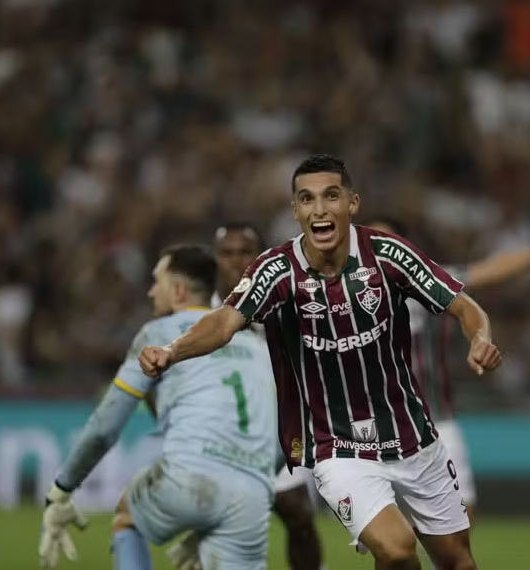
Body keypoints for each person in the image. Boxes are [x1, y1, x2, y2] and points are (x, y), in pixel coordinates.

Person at [139, 154, 502, 570]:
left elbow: (462, 304)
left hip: (413, 437)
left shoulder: (387, 255)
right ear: (295, 211)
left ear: (352, 203)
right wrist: (171, 351)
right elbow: (223, 322)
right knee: (398, 549)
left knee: (459, 562)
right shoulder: (276, 270)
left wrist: (481, 336)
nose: (319, 209)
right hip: (339, 447)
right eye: (307, 199)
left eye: (331, 196)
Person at [38, 245, 278, 570]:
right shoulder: (256, 344)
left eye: (157, 282)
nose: (151, 291)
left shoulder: (158, 335)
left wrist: (61, 490)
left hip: (190, 477)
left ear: (178, 290)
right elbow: (284, 441)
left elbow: (105, 427)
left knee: (127, 515)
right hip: (252, 494)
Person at [367, 211, 530, 520]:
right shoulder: (343, 294)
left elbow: (489, 270)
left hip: (436, 421)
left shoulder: (429, 281)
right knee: (389, 534)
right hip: (378, 429)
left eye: (386, 240)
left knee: (463, 516)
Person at [212, 222, 324, 570]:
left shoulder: (283, 305)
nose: (234, 261)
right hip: (218, 437)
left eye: (243, 252)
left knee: (298, 513)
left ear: (259, 259)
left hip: (276, 434)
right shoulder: (198, 313)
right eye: (226, 253)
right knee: (217, 529)